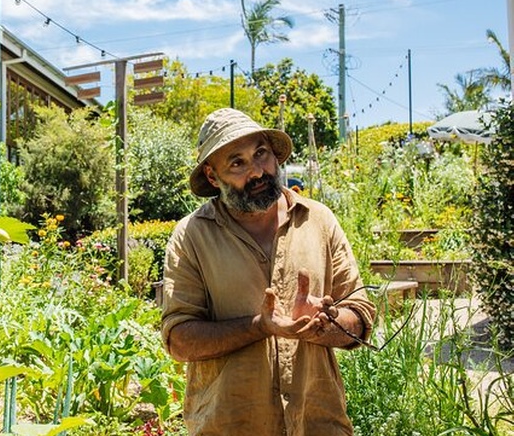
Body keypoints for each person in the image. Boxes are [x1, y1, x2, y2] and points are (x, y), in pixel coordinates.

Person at [160, 108, 376, 435]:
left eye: (261, 154)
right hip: (229, 426)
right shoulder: (192, 236)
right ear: (212, 176)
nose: (257, 172)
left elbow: (360, 317)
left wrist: (324, 326)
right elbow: (178, 340)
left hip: (317, 422)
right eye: (237, 163)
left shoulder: (318, 221)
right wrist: (260, 327)